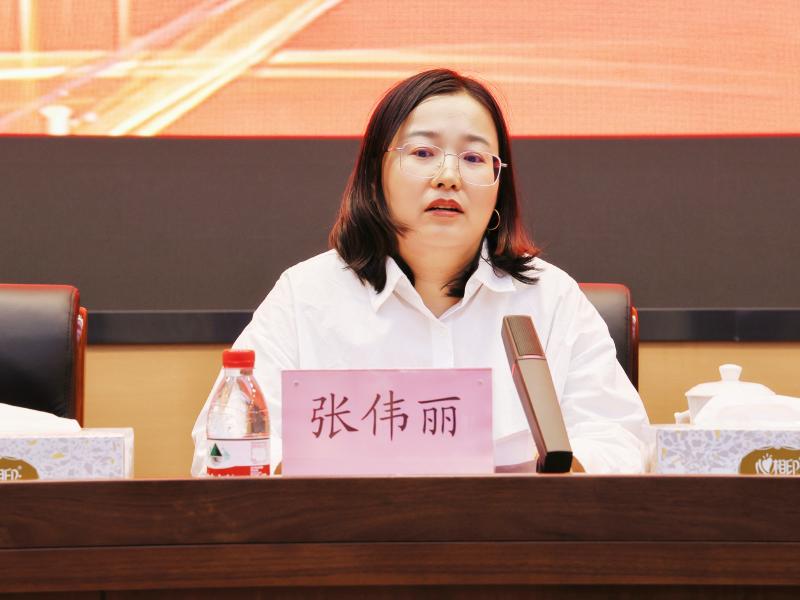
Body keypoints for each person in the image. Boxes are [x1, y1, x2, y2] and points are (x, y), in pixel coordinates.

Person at [191, 69, 650, 475]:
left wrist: (548, 479)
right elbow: (224, 451)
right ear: (377, 175)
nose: (448, 176)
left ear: (499, 186)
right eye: (423, 152)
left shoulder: (550, 298)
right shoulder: (306, 296)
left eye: (474, 158)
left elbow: (620, 439)